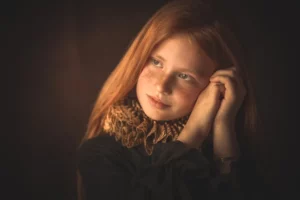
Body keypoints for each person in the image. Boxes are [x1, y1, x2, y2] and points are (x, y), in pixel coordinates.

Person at [77, 0, 263, 199]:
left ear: (214, 86)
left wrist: (223, 124)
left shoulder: (228, 145)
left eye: (184, 76)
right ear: (139, 59)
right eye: (156, 62)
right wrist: (194, 131)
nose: (162, 86)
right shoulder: (102, 153)